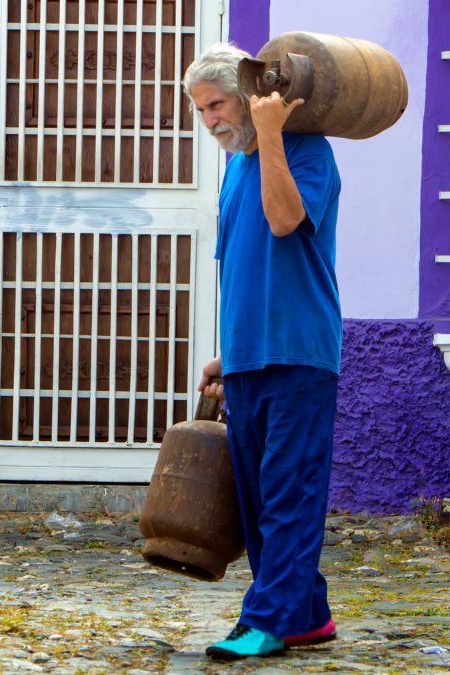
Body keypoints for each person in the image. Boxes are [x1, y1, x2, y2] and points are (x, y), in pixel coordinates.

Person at [182, 43, 343, 661]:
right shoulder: (234, 170)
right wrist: (230, 353)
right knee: (257, 500)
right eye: (200, 111)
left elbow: (283, 222)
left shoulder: (307, 153)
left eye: (217, 104)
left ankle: (265, 620)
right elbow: (241, 268)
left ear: (250, 98)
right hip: (249, 358)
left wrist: (272, 134)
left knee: (288, 493)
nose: (211, 121)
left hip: (300, 353)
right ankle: (307, 617)